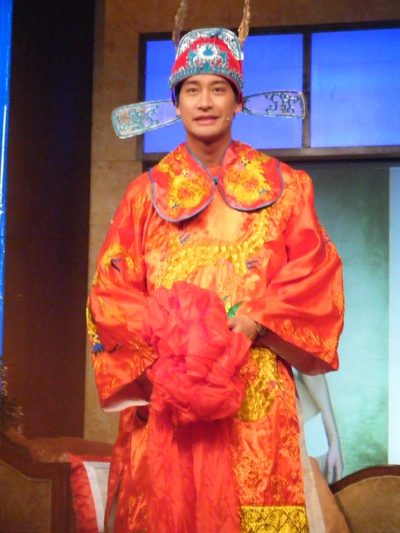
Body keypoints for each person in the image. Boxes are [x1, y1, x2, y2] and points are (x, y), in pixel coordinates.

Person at [87, 27, 345, 533]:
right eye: (192, 89)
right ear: (176, 102)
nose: (205, 102)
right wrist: (171, 352)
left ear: (237, 101)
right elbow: (109, 294)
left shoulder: (287, 188)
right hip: (170, 399)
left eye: (218, 89)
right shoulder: (144, 196)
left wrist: (254, 321)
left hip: (255, 398)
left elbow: (317, 274)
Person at [295, 371, 344, 483]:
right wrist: (333, 440)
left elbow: (310, 368)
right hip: (304, 421)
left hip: (302, 425)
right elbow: (310, 368)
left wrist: (333, 441)